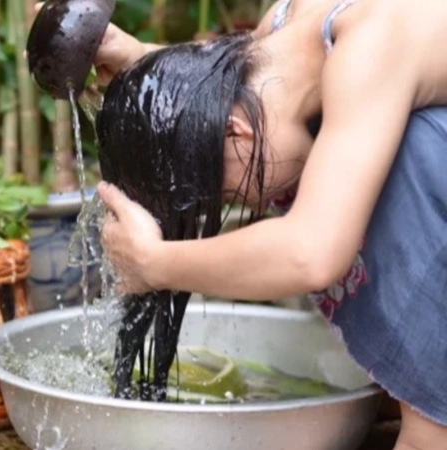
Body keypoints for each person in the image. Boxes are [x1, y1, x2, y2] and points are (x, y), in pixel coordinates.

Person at [68, 0, 447, 448]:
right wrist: (141, 58)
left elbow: (312, 252)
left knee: (392, 166)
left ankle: (430, 407)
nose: (251, 202)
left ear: (235, 132)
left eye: (226, 193)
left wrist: (156, 263)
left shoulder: (370, 49)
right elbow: (230, 74)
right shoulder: (285, 25)